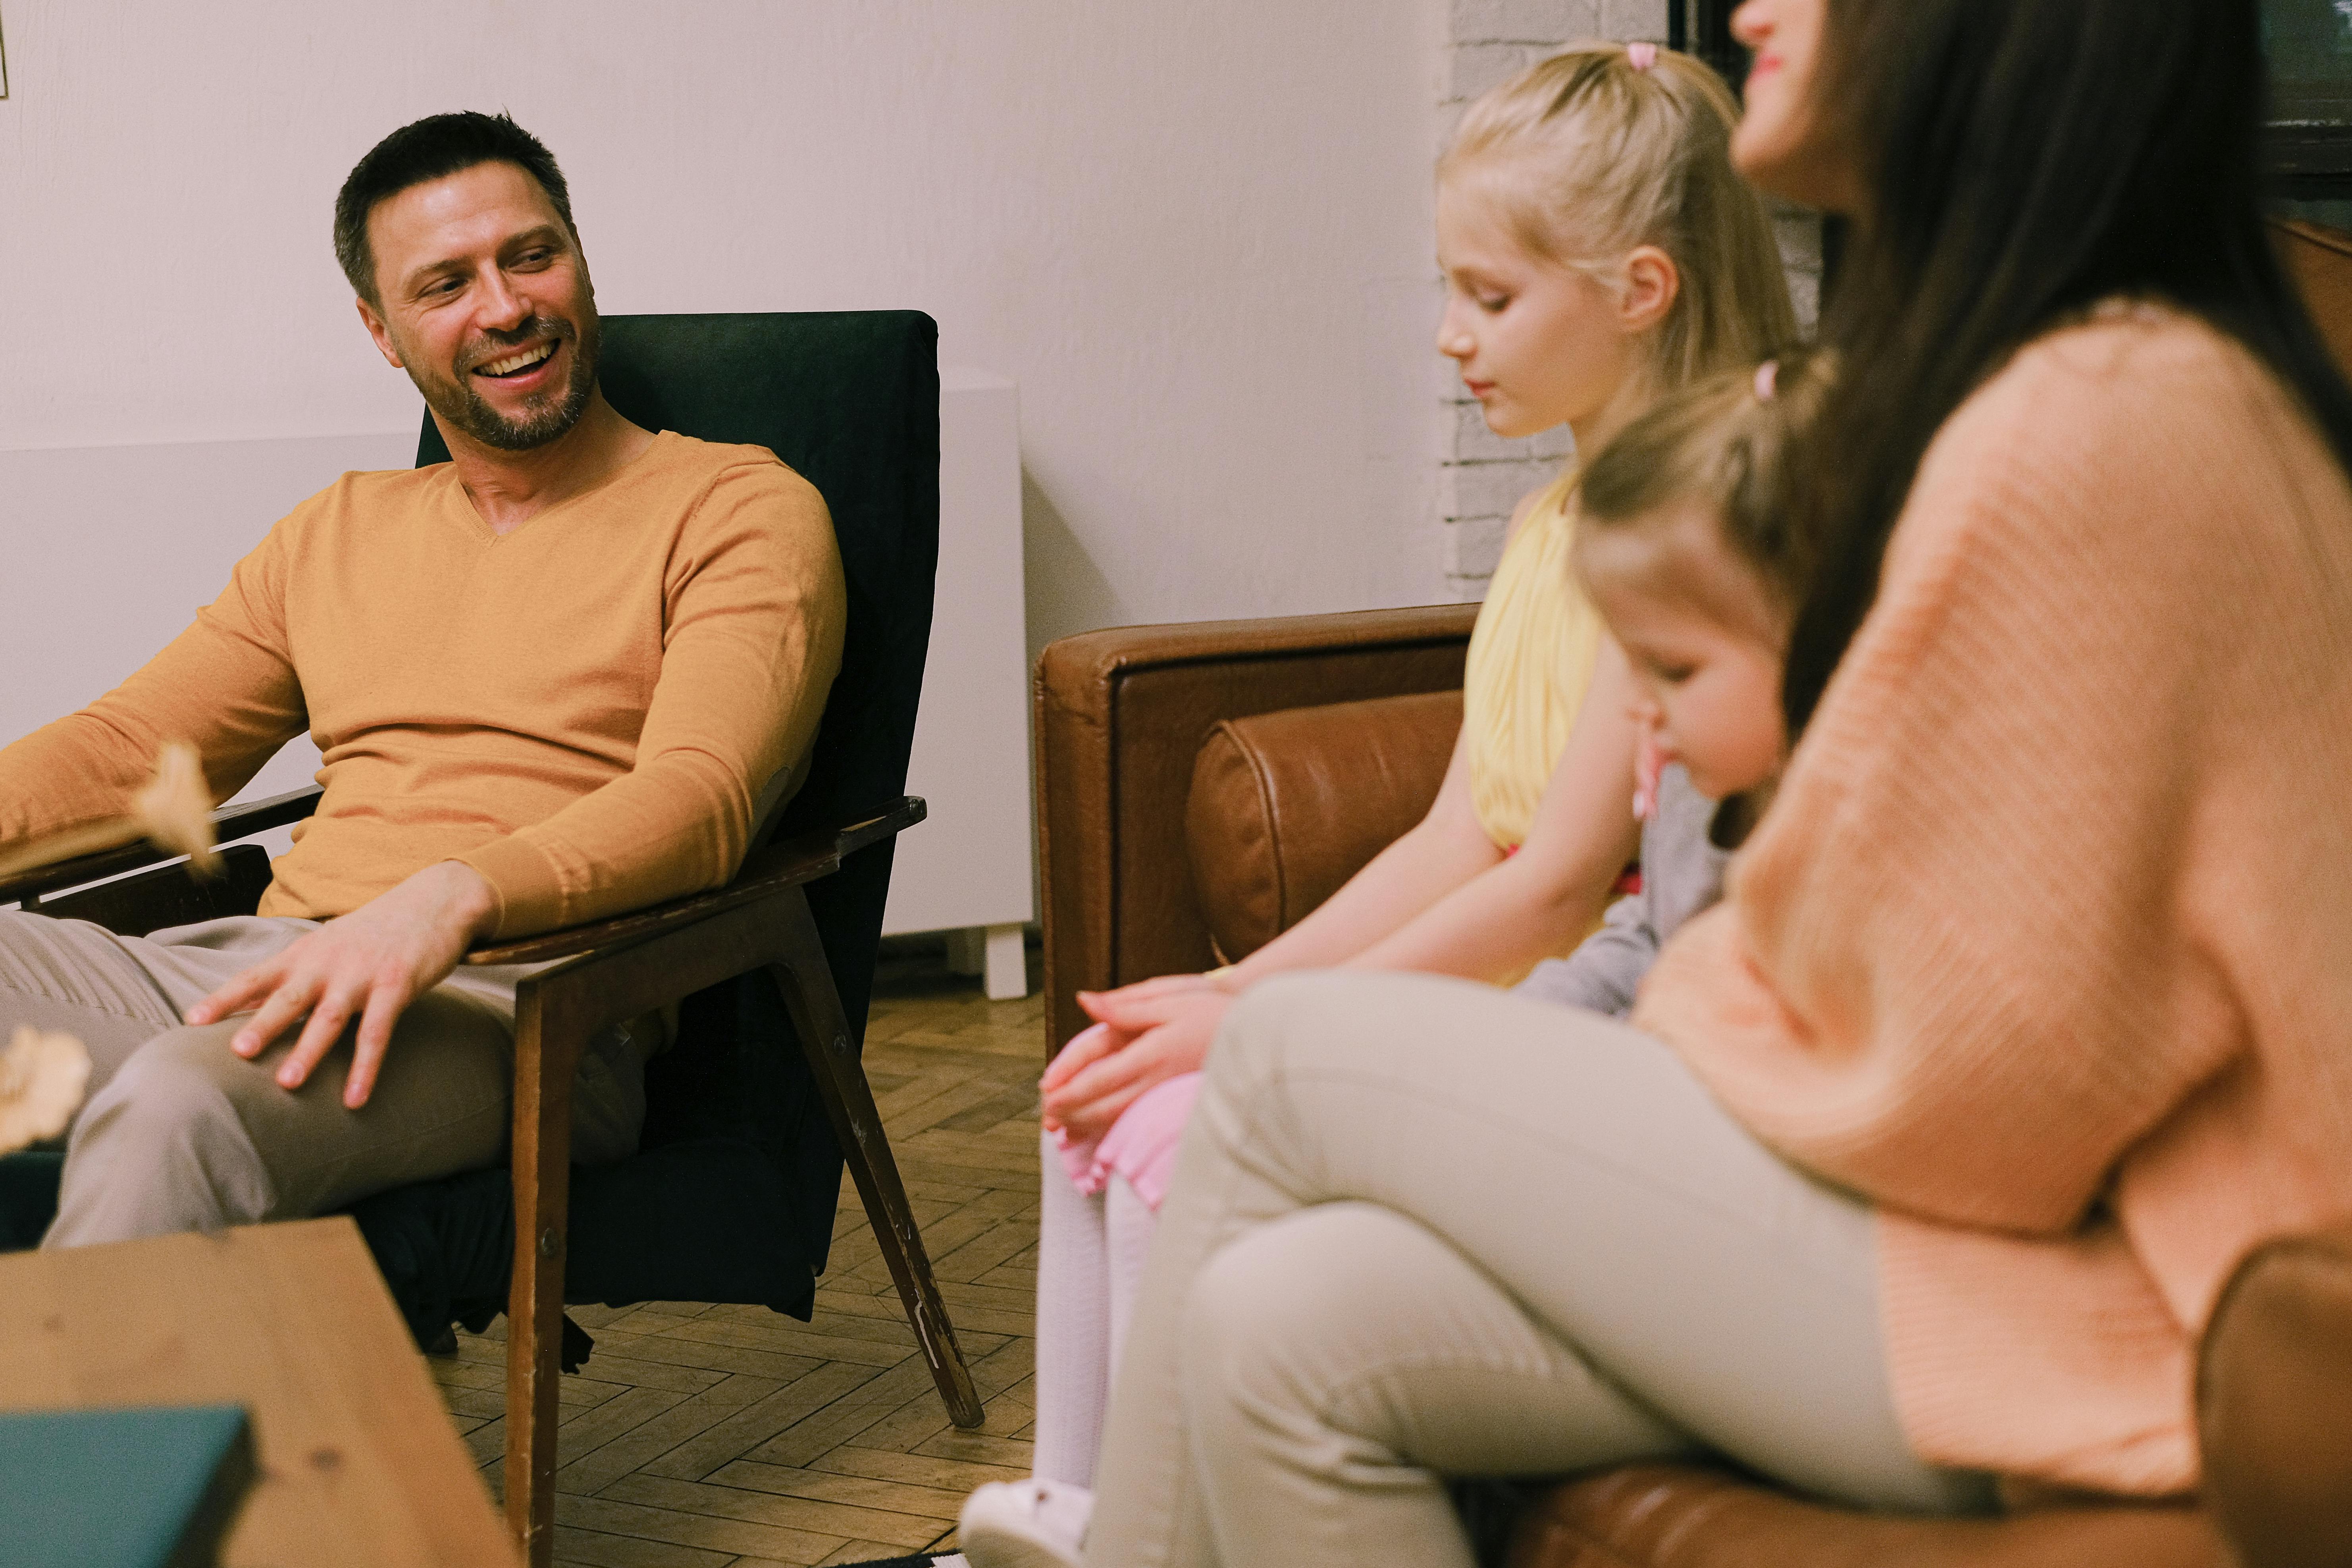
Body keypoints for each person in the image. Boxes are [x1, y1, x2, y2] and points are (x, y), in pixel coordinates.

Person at [1069, 0, 2352, 1561]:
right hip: (2001, 1239)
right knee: (1277, 1329)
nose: (1753, 6)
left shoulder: (2091, 420)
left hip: (2124, 1301)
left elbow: (1985, 1076)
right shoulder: (2053, 388)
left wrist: (1673, 1030)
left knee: (1275, 1064)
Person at [959, 42, 1801, 1566]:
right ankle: (1066, 1507)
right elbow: (1460, 826)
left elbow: (1553, 887)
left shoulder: (1685, 529)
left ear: (1640, 291)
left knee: (1175, 1129)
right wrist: (1228, 988)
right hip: (1521, 969)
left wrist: (1266, 1030)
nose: (1446, 339)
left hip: (1569, 992)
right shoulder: (1557, 519)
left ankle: (1164, 1526)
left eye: (1488, 299)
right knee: (1102, 1072)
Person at [0, 111, 846, 1248]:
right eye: (445, 283)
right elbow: (133, 751)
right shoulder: (337, 530)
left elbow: (705, 796)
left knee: (179, 1106)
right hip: (259, 967)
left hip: (520, 1004)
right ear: (382, 331)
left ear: (580, 262)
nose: (503, 307)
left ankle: (80, 1432)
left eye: (531, 256)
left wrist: (452, 895)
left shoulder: (736, 507)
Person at [1516, 349, 1832, 1021]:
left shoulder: (1850, 840)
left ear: (1816, 641)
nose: (1636, 707)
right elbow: (1647, 935)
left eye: (1675, 669)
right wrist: (1511, 1029)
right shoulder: (1693, 783)